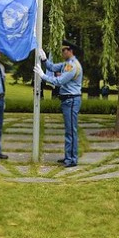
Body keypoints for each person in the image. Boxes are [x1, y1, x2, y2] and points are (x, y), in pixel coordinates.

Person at [33, 40, 83, 168]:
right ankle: (68, 156)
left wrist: (43, 76)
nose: (62, 52)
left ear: (70, 51)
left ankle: (72, 159)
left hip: (71, 100)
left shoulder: (72, 66)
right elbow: (52, 67)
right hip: (68, 100)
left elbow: (59, 81)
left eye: (64, 50)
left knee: (71, 131)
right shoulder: (67, 64)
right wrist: (44, 60)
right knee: (69, 130)